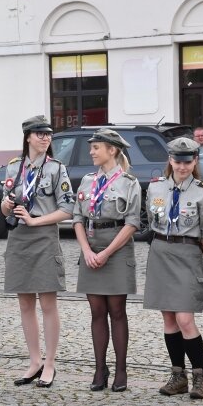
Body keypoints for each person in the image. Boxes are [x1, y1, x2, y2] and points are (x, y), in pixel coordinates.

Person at [1, 116, 74, 389]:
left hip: (43, 236)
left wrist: (35, 220)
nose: (45, 138)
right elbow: (3, 207)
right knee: (25, 303)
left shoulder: (55, 169)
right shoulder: (13, 168)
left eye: (48, 134)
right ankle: (34, 361)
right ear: (28, 137)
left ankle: (51, 363)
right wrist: (7, 206)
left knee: (47, 303)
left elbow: (67, 209)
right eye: (40, 134)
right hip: (18, 238)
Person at [143, 137, 203, 399]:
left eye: (187, 161)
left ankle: (200, 376)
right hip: (161, 251)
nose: (182, 166)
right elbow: (151, 220)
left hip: (188, 253)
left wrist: (192, 253)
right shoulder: (155, 189)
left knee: (185, 318)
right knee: (169, 318)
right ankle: (178, 376)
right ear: (170, 160)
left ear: (195, 161)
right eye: (177, 161)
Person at [72, 128, 141, 392]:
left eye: (96, 147)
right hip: (91, 246)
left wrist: (106, 252)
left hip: (117, 247)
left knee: (117, 311)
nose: (91, 152)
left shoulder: (128, 182)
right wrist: (87, 251)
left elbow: (132, 223)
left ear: (112, 150)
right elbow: (78, 218)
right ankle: (100, 368)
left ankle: (121, 370)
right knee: (96, 312)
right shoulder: (88, 181)